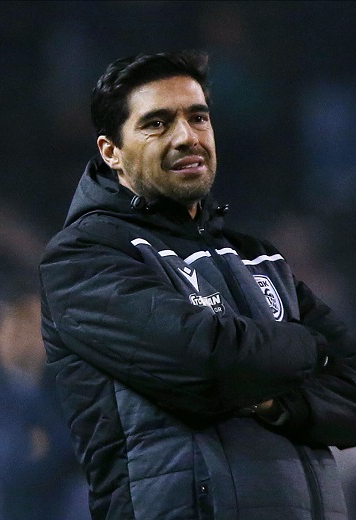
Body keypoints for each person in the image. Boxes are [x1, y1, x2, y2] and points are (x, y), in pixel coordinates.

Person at [40, 51, 356, 520]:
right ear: (111, 152)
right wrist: (311, 348)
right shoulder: (83, 257)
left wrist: (274, 402)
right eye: (157, 123)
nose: (187, 136)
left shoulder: (259, 258)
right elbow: (208, 364)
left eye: (198, 117)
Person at [0, 276, 89, 520]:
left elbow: (86, 442)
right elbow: (10, 459)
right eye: (18, 321)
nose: (28, 334)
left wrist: (47, 443)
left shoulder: (66, 386)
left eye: (34, 321)